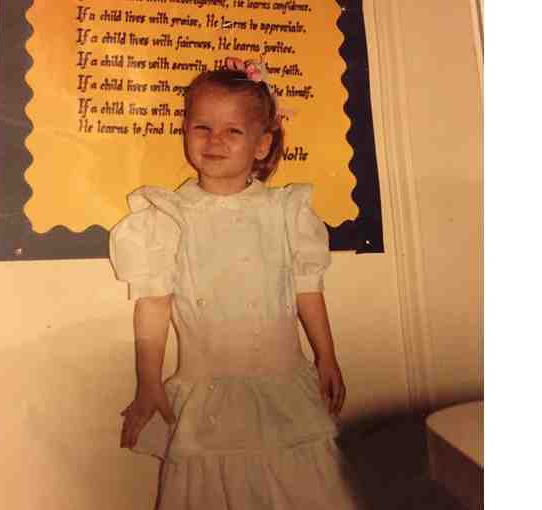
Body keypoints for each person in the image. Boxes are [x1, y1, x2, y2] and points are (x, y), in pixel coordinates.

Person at [109, 58, 362, 509]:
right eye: (202, 127)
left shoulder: (285, 213)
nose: (215, 140)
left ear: (262, 144)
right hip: (207, 395)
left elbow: (308, 288)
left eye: (233, 131)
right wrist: (148, 382)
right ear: (185, 131)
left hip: (283, 389)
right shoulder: (168, 218)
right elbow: (153, 305)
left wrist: (327, 355)